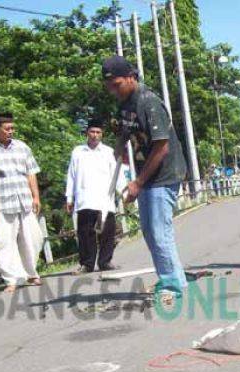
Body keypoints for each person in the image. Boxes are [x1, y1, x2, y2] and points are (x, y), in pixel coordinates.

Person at [102, 56, 188, 301]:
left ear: (131, 77)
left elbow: (162, 148)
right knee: (151, 231)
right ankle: (175, 279)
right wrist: (118, 147)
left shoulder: (149, 102)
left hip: (164, 173)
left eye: (116, 84)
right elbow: (125, 131)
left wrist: (137, 183)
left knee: (159, 231)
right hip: (146, 174)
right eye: (108, 86)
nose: (112, 90)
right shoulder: (125, 103)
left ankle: (171, 285)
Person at [0, 112, 43, 293]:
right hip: (1, 202)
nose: (11, 131)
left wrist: (36, 196)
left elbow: (31, 173)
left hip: (24, 200)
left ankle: (31, 272)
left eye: (12, 128)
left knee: (33, 238)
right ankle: (11, 279)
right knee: (3, 242)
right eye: (7, 129)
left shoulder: (22, 147)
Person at [65, 119, 124, 274]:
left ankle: (105, 261)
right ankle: (87, 264)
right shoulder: (78, 152)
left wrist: (124, 192)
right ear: (87, 133)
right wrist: (69, 197)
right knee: (85, 233)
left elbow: (117, 174)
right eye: (92, 132)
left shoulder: (108, 152)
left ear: (102, 134)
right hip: (84, 198)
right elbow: (71, 175)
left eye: (98, 132)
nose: (95, 135)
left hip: (105, 199)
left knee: (107, 232)